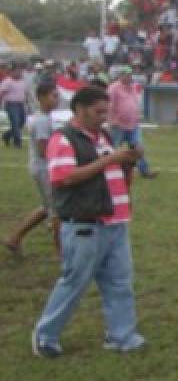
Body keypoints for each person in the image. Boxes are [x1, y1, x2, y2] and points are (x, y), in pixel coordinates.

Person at [31, 84, 145, 357]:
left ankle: (121, 336)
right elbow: (64, 178)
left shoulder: (102, 136)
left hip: (115, 221)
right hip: (85, 224)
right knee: (74, 282)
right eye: (98, 111)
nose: (104, 116)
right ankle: (45, 336)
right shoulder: (64, 139)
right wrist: (109, 161)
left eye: (106, 111)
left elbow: (108, 168)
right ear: (79, 109)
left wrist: (127, 161)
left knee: (119, 281)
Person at [5, 78, 61, 256]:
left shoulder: (43, 118)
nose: (57, 99)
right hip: (44, 168)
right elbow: (44, 150)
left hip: (41, 167)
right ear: (42, 97)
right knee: (57, 212)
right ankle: (63, 254)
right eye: (54, 96)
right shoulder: (42, 121)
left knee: (46, 207)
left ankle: (14, 238)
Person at [106, 67, 158, 179]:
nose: (130, 77)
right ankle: (110, 171)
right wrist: (112, 120)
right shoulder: (113, 88)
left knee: (138, 148)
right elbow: (109, 105)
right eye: (127, 75)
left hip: (133, 124)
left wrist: (136, 116)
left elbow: (134, 102)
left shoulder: (133, 87)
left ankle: (145, 171)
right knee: (114, 149)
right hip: (118, 125)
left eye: (130, 75)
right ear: (121, 76)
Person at [1, 65, 29, 148]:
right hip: (11, 104)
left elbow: (25, 93)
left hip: (20, 104)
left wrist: (27, 103)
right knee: (15, 122)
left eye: (20, 71)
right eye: (17, 71)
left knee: (22, 122)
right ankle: (17, 142)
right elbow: (2, 93)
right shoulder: (7, 81)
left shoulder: (22, 81)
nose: (19, 73)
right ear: (12, 72)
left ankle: (7, 135)